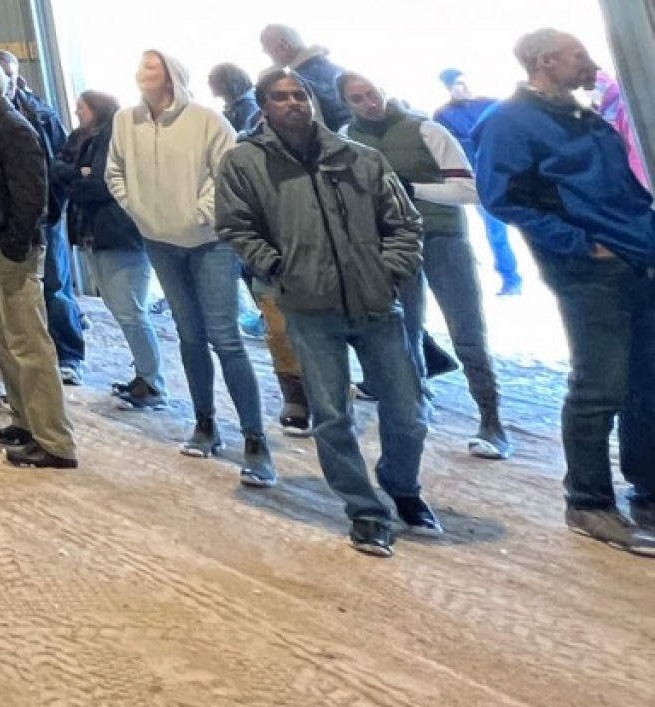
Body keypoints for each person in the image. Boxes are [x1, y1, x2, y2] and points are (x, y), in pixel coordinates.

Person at [216, 67, 428, 557]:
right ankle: (365, 511)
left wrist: (390, 271)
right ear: (264, 106)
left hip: (375, 303)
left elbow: (404, 222)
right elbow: (235, 225)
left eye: (300, 94)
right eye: (280, 97)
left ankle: (401, 486)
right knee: (332, 415)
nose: (293, 103)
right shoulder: (246, 164)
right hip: (308, 305)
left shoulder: (360, 158)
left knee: (408, 410)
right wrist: (278, 268)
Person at [471, 29, 655, 556]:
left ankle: (648, 493)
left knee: (645, 383)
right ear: (546, 61)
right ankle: (588, 503)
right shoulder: (507, 122)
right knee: (599, 386)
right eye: (578, 55)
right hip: (588, 270)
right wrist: (582, 246)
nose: (590, 63)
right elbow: (502, 199)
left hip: (637, 259)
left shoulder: (581, 114)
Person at [108, 50, 276, 480]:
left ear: (171, 74)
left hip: (210, 243)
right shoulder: (126, 121)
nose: (144, 69)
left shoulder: (206, 120)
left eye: (153, 63)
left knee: (226, 338)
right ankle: (205, 424)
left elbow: (225, 176)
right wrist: (141, 212)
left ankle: (254, 439)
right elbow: (115, 173)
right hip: (158, 240)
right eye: (140, 63)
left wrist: (198, 214)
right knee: (189, 336)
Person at [337, 72, 508, 458]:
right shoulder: (347, 136)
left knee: (467, 332)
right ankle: (416, 406)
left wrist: (408, 188)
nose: (369, 102)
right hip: (392, 243)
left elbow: (469, 189)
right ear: (347, 104)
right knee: (405, 330)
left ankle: (491, 420)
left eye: (372, 92)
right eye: (357, 98)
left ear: (384, 88)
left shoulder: (427, 130)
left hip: (443, 238)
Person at [0, 56, 75, 469]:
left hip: (11, 252)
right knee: (6, 340)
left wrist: (13, 245)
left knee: (29, 344)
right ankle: (24, 421)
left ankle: (54, 440)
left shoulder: (14, 130)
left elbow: (30, 196)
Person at [0, 47, 87, 385]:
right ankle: (21, 382)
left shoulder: (35, 114)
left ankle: (68, 356)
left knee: (54, 287)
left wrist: (48, 209)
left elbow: (58, 159)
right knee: (8, 310)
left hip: (40, 217)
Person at [66, 90, 165, 411]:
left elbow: (99, 184)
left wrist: (76, 178)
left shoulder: (113, 139)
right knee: (117, 306)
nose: (77, 111)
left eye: (81, 107)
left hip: (121, 234)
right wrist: (76, 176)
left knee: (131, 311)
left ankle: (152, 382)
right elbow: (60, 169)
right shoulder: (82, 138)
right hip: (94, 233)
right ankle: (144, 375)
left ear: (97, 109)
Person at [436, 69, 522, 295]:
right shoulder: (443, 115)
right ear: (449, 88)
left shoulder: (491, 104)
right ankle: (510, 279)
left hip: (512, 175)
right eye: (458, 84)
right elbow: (449, 149)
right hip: (480, 180)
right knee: (496, 232)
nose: (464, 88)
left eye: (466, 82)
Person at [259, 23, 351, 133]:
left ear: (283, 46)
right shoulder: (338, 69)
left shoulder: (296, 83)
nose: (271, 59)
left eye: (268, 52)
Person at [209, 63, 259, 135]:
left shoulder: (247, 105)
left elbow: (247, 137)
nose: (209, 83)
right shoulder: (231, 107)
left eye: (213, 79)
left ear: (228, 81)